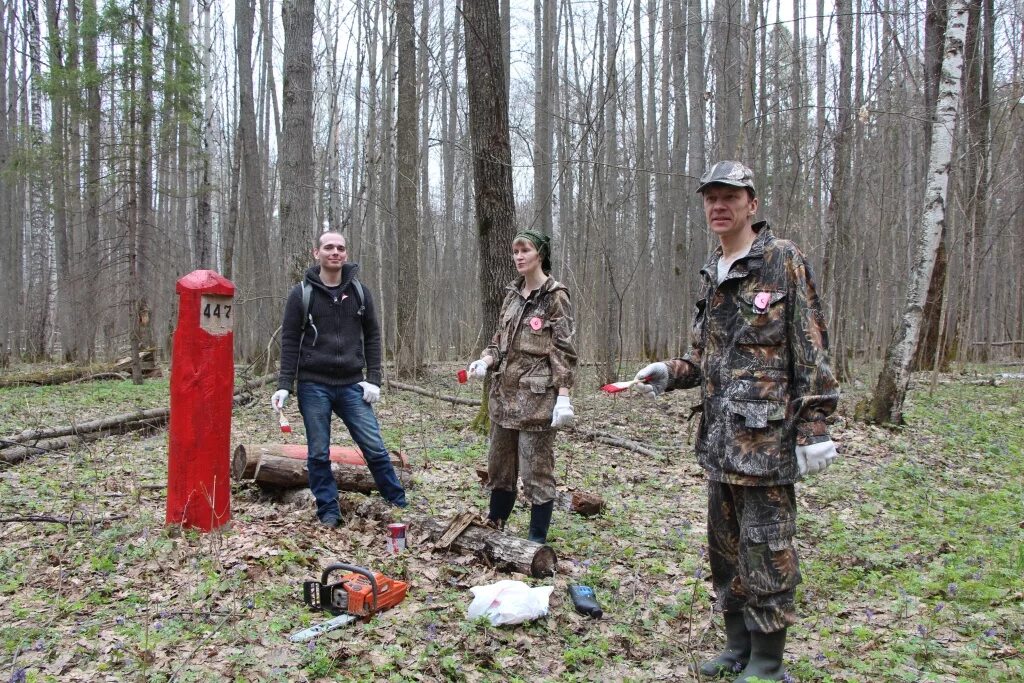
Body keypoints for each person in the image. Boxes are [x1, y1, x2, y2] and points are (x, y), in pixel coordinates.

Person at [632, 161, 839, 681]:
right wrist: (669, 371)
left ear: (751, 202)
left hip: (767, 445)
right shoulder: (713, 270)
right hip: (720, 445)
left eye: (730, 197)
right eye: (711, 198)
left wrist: (815, 426)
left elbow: (811, 349)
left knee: (768, 551)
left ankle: (768, 663)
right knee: (725, 553)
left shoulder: (781, 260)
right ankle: (738, 646)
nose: (719, 206)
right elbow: (708, 359)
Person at [272, 231, 407, 527]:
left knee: (373, 446)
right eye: (329, 247)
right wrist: (284, 384)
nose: (335, 252)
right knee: (318, 451)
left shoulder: (360, 292)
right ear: (316, 253)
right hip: (313, 384)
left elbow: (372, 336)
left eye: (341, 248)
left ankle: (398, 502)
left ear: (346, 254)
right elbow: (291, 339)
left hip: (351, 384)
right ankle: (329, 511)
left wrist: (373, 378)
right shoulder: (301, 294)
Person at [466, 230, 578, 544]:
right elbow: (498, 341)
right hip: (503, 399)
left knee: (536, 473)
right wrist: (485, 361)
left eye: (525, 250)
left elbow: (563, 350)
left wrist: (564, 397)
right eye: (515, 251)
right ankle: (495, 527)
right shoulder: (511, 295)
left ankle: (535, 540)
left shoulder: (556, 296)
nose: (518, 257)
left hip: (537, 402)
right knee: (499, 469)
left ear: (539, 254)